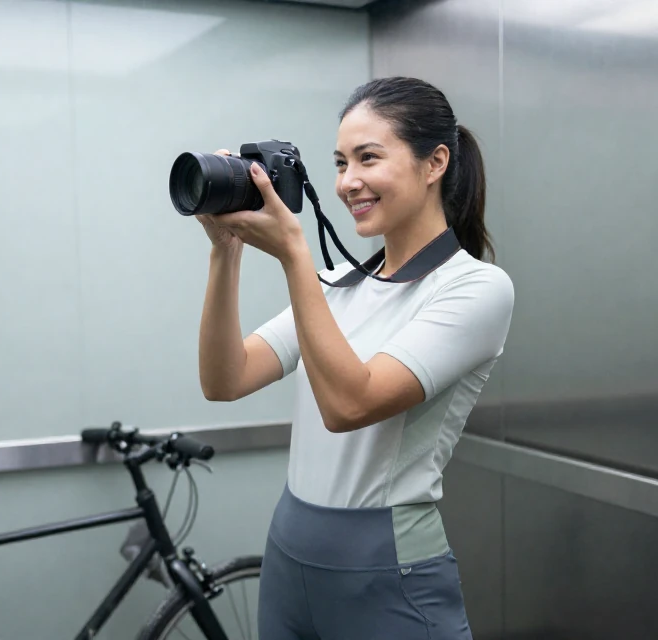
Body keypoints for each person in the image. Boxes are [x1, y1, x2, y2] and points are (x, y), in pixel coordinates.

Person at [194, 76, 514, 640]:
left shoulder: (475, 288)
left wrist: (294, 253)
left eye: (368, 158)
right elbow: (225, 378)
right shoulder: (339, 284)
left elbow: (349, 404)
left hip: (387, 568)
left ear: (435, 161)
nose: (348, 182)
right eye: (340, 163)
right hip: (289, 551)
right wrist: (226, 252)